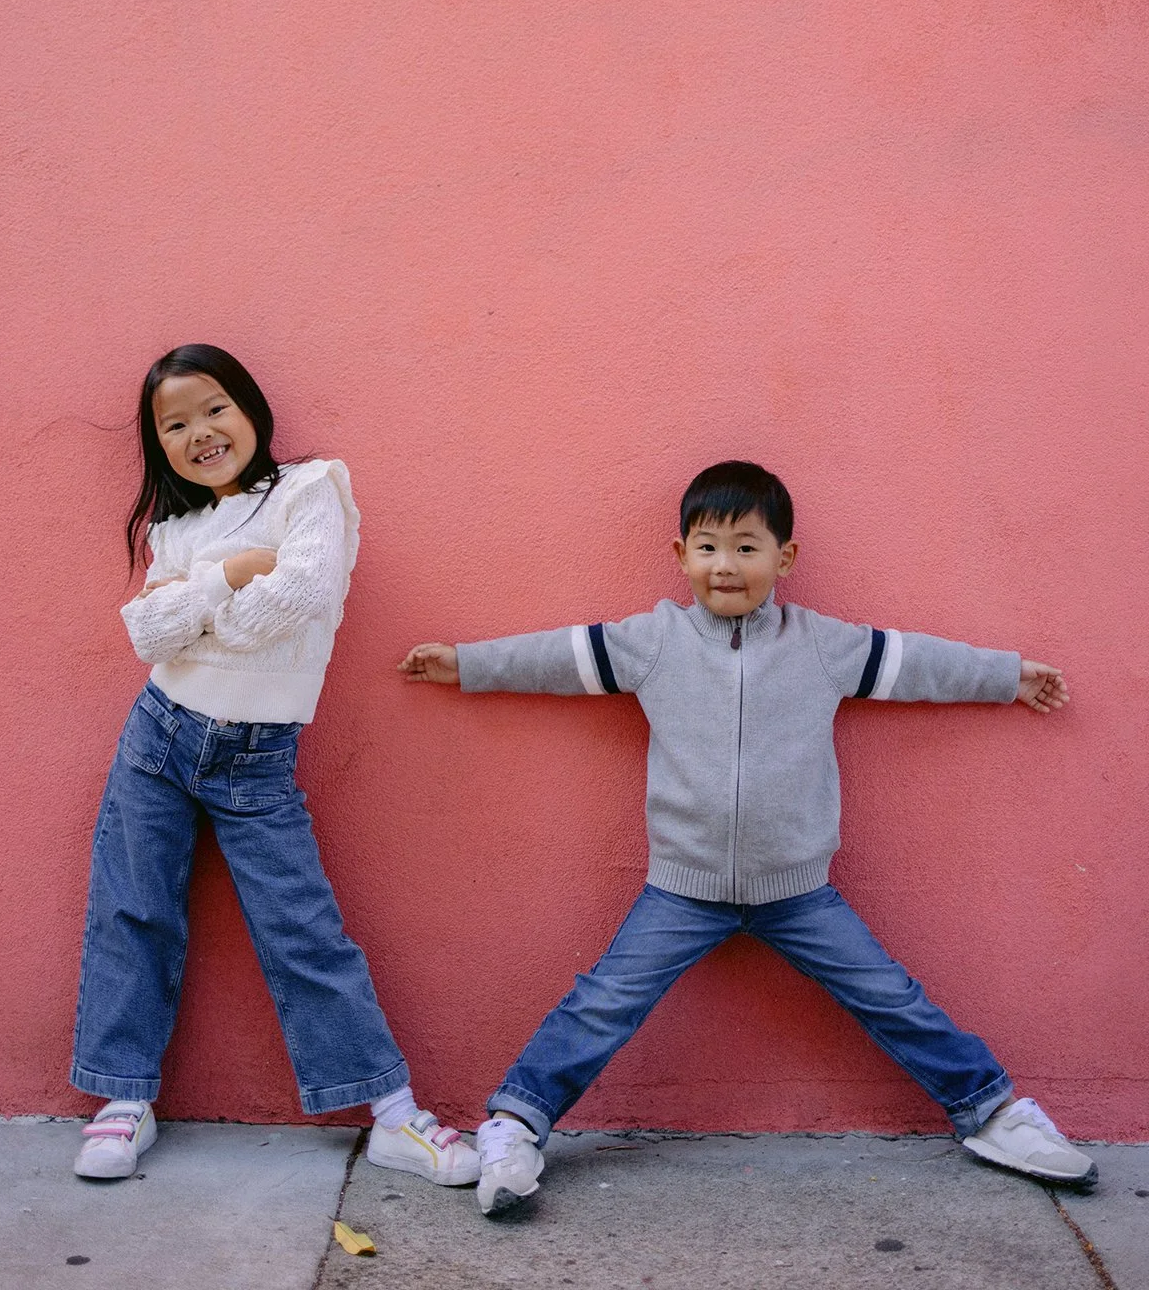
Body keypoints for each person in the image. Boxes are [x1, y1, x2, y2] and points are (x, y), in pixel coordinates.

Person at [399, 459, 1096, 1214]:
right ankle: (515, 1123)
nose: (724, 565)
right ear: (680, 556)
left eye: (746, 546)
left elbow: (919, 662)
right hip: (681, 889)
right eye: (707, 547)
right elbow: (553, 658)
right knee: (601, 1003)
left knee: (892, 997)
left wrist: (1007, 677)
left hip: (799, 892)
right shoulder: (652, 641)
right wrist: (464, 665)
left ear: (784, 558)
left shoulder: (821, 644)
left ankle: (992, 1113)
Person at [71, 344, 477, 1188]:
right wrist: (231, 571)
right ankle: (122, 1100)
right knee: (132, 912)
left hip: (257, 759)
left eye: (214, 408)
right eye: (174, 425)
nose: (200, 433)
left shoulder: (311, 488)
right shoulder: (175, 531)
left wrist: (195, 602)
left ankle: (395, 1117)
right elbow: (145, 638)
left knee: (302, 932)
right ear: (159, 446)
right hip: (157, 738)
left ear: (251, 408)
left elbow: (298, 603)